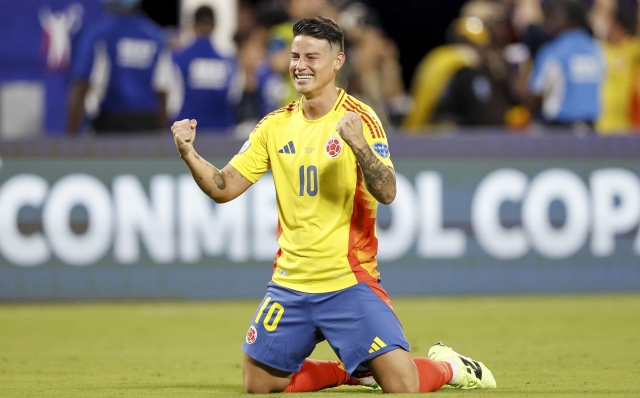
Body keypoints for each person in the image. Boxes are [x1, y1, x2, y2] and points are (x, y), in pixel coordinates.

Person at [171, 17, 496, 394]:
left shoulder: (360, 120)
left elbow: (387, 192)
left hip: (348, 282)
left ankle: (450, 366)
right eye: (295, 56)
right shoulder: (274, 126)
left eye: (312, 56)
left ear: (338, 61)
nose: (300, 65)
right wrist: (189, 153)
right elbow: (223, 187)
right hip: (290, 284)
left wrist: (358, 145)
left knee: (403, 385)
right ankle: (352, 372)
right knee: (258, 384)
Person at [66, 0, 173, 134]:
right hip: (147, 124)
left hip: (110, 123)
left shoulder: (98, 34)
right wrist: (160, 137)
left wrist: (70, 137)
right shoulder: (155, 36)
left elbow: (81, 86)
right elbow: (163, 92)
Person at [524, 0, 605, 130]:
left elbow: (536, 90)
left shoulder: (553, 51)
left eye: (558, 17)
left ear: (570, 20)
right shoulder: (598, 49)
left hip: (559, 127)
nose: (553, 21)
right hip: (591, 126)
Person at [595, 0, 640, 134]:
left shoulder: (632, 49)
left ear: (621, 28)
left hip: (624, 122)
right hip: (600, 121)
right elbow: (597, 23)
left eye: (613, 26)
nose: (610, 30)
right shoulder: (600, 49)